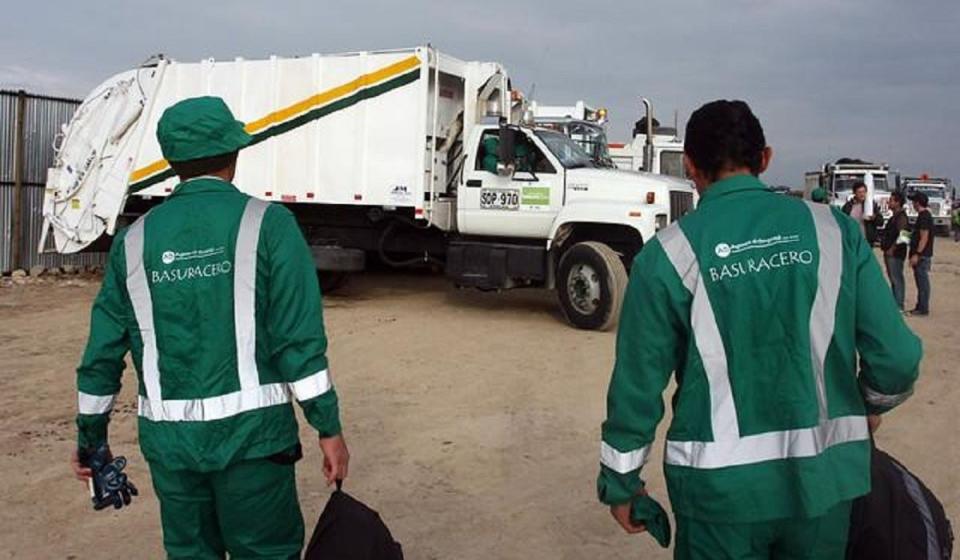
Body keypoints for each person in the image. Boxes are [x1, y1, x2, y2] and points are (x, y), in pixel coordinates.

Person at [597, 99, 922, 560]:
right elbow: (898, 358)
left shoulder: (666, 257)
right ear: (765, 159)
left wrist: (621, 484)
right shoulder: (836, 233)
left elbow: (637, 385)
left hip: (719, 497)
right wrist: (868, 404)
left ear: (691, 166)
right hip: (823, 485)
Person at [70, 96, 350, 558]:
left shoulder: (134, 241)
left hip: (172, 450)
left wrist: (91, 442)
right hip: (255, 444)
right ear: (234, 154)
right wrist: (327, 427)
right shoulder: (270, 225)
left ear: (173, 160)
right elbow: (298, 343)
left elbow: (101, 354)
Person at [880, 191, 909, 310]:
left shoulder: (901, 217)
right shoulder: (895, 217)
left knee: (897, 279)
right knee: (893, 278)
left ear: (897, 203)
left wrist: (892, 249)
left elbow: (905, 236)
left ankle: (899, 305)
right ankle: (895, 303)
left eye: (891, 200)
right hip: (890, 252)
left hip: (896, 254)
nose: (889, 202)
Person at [908, 192, 934, 316]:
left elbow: (924, 237)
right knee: (921, 282)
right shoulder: (923, 215)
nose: (912, 203)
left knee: (922, 282)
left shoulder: (924, 216)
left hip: (922, 256)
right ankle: (920, 306)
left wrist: (917, 254)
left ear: (918, 202)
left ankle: (923, 308)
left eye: (914, 201)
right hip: (922, 254)